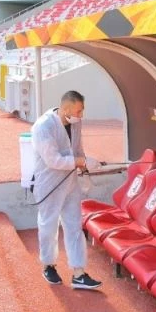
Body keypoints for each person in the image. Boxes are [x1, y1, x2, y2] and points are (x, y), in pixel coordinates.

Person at [31, 90, 103, 290]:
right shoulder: (43, 127)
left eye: (82, 110)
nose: (81, 115)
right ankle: (48, 265)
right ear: (65, 109)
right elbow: (53, 160)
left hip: (70, 182)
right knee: (48, 226)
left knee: (74, 225)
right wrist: (81, 161)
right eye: (78, 111)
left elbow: (78, 149)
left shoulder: (76, 123)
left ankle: (78, 273)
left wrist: (86, 168)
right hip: (49, 184)